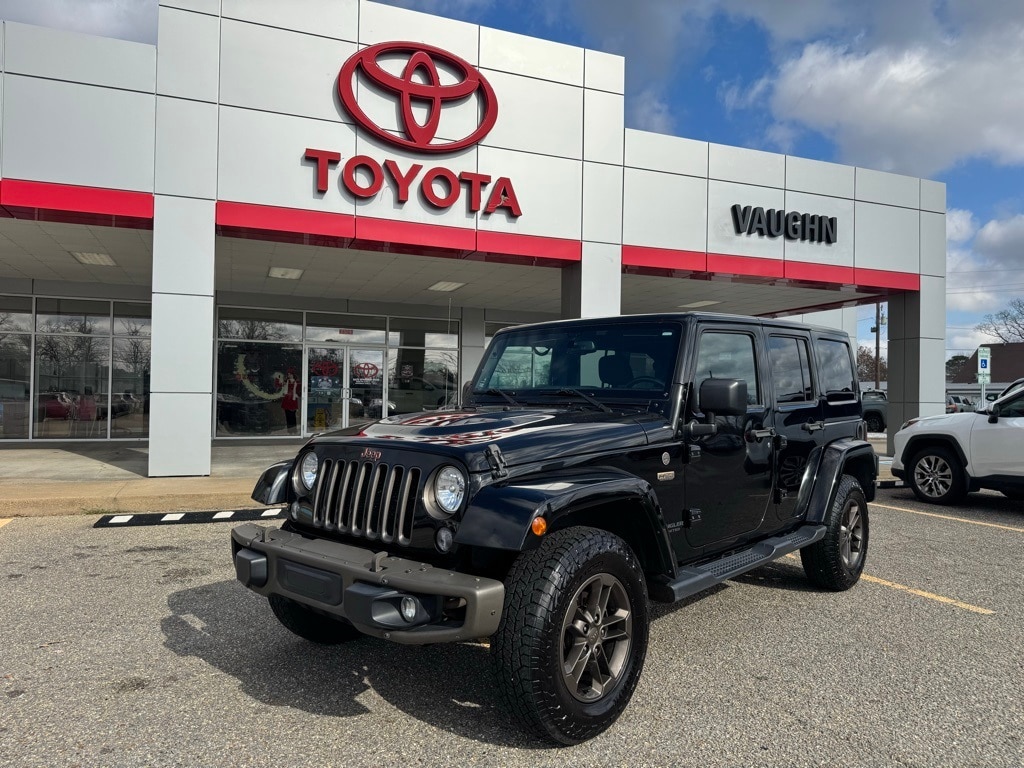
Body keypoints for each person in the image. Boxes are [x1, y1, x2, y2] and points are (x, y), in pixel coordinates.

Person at [281, 369, 300, 435]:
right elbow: (284, 390)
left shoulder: (296, 382)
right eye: (288, 374)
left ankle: (293, 430)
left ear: (292, 375)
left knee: (292, 415)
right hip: (288, 399)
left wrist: (295, 397)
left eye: (290, 374)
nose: (289, 375)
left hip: (292, 399)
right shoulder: (287, 381)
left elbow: (297, 391)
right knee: (288, 415)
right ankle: (290, 430)